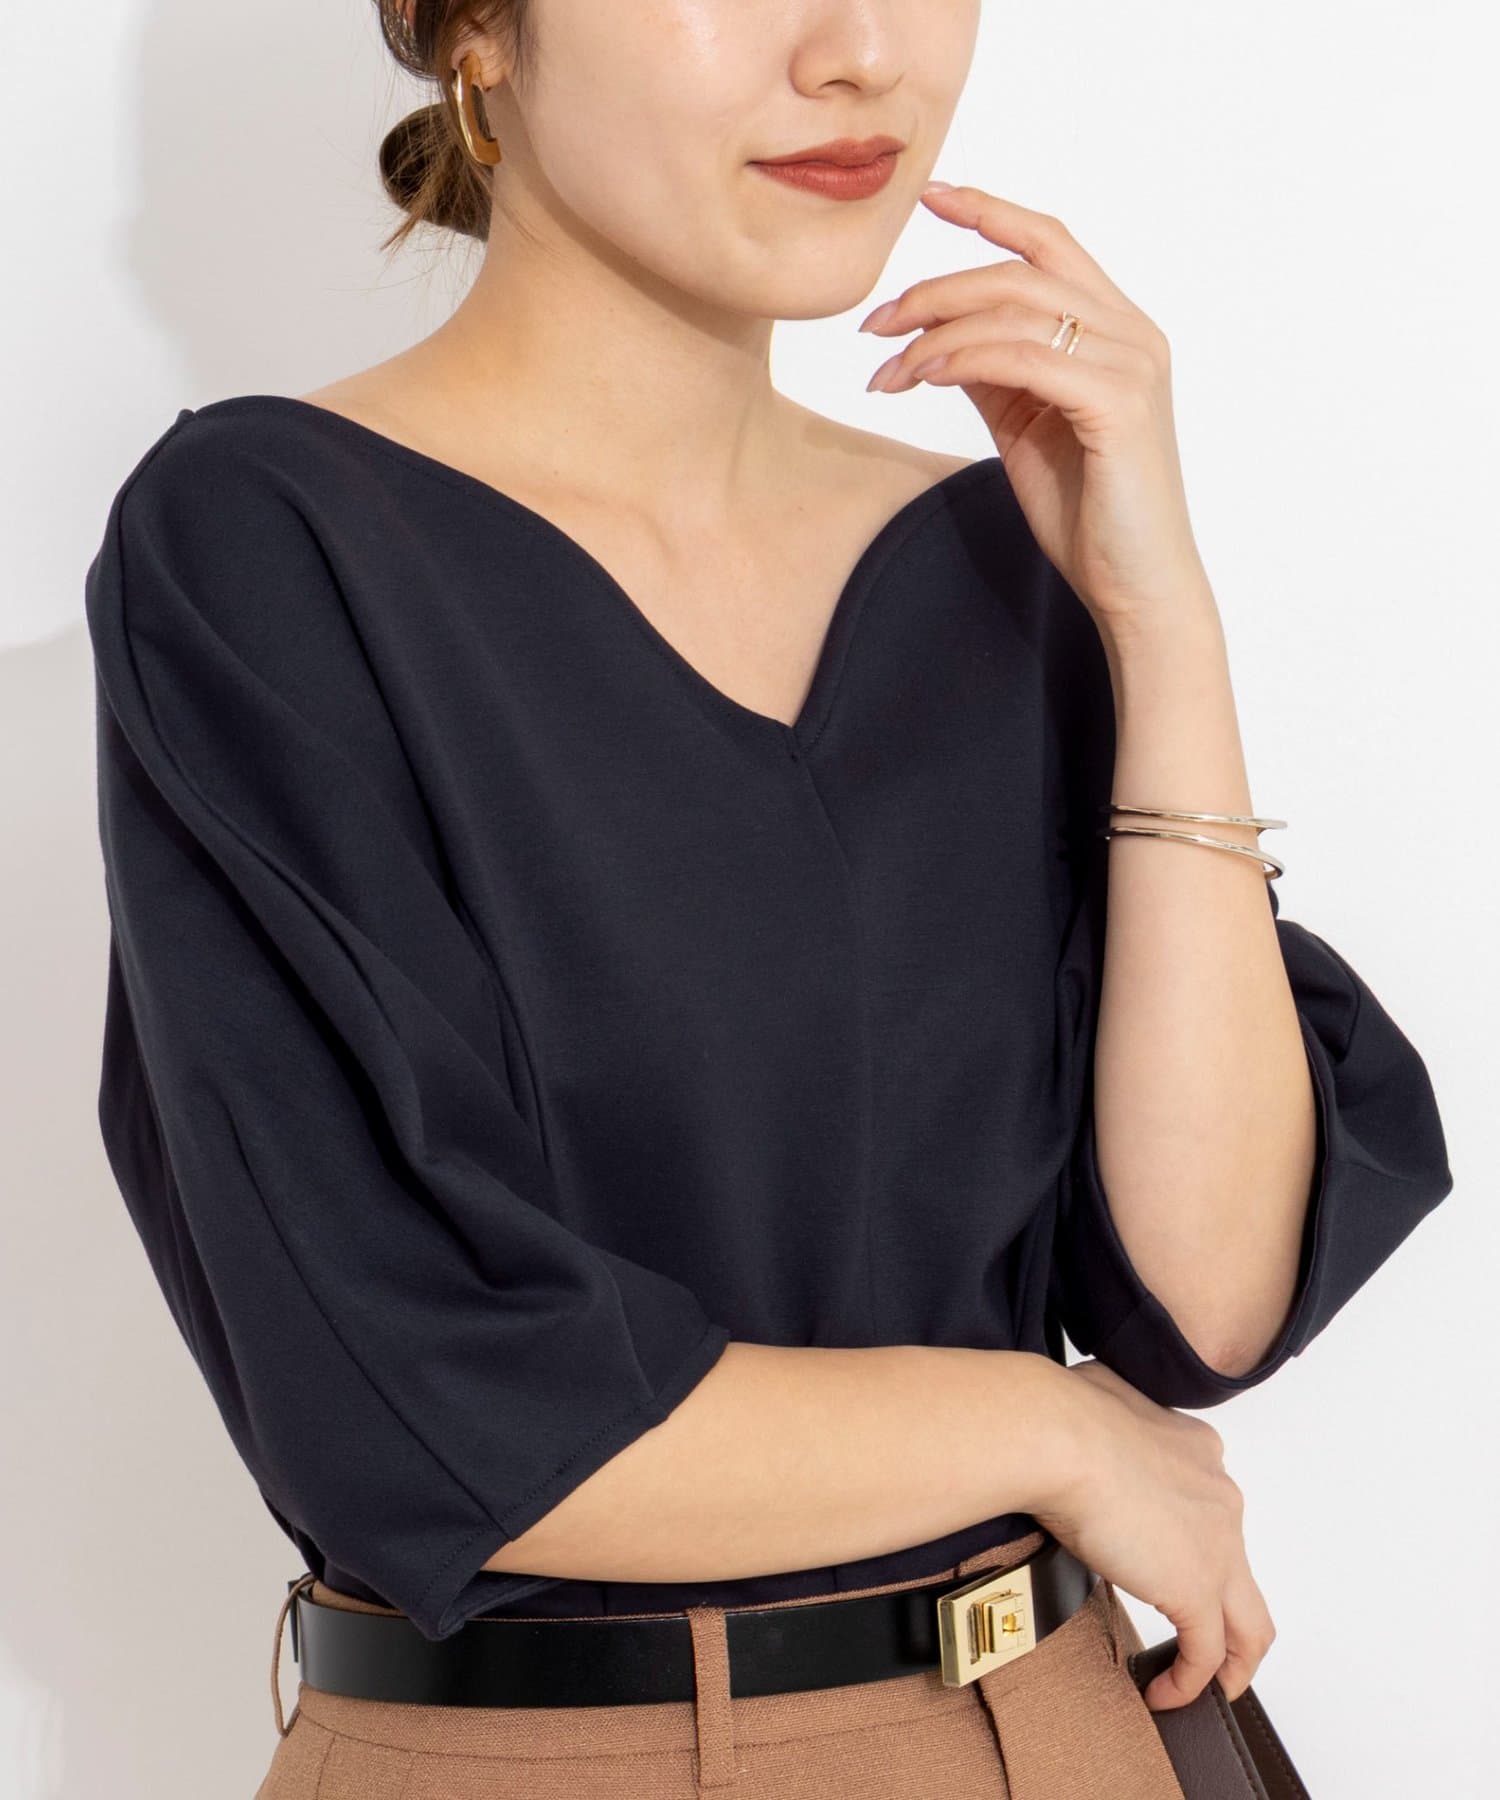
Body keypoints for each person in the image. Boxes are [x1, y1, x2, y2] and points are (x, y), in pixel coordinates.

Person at [82, 3, 1453, 1795]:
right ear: (477, 32)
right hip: (556, 1762)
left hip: (1066, 1730)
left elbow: (1211, 1298)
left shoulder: (998, 566)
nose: (863, 51)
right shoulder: (271, 549)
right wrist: (1044, 1431)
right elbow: (431, 1405)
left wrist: (1162, 623)